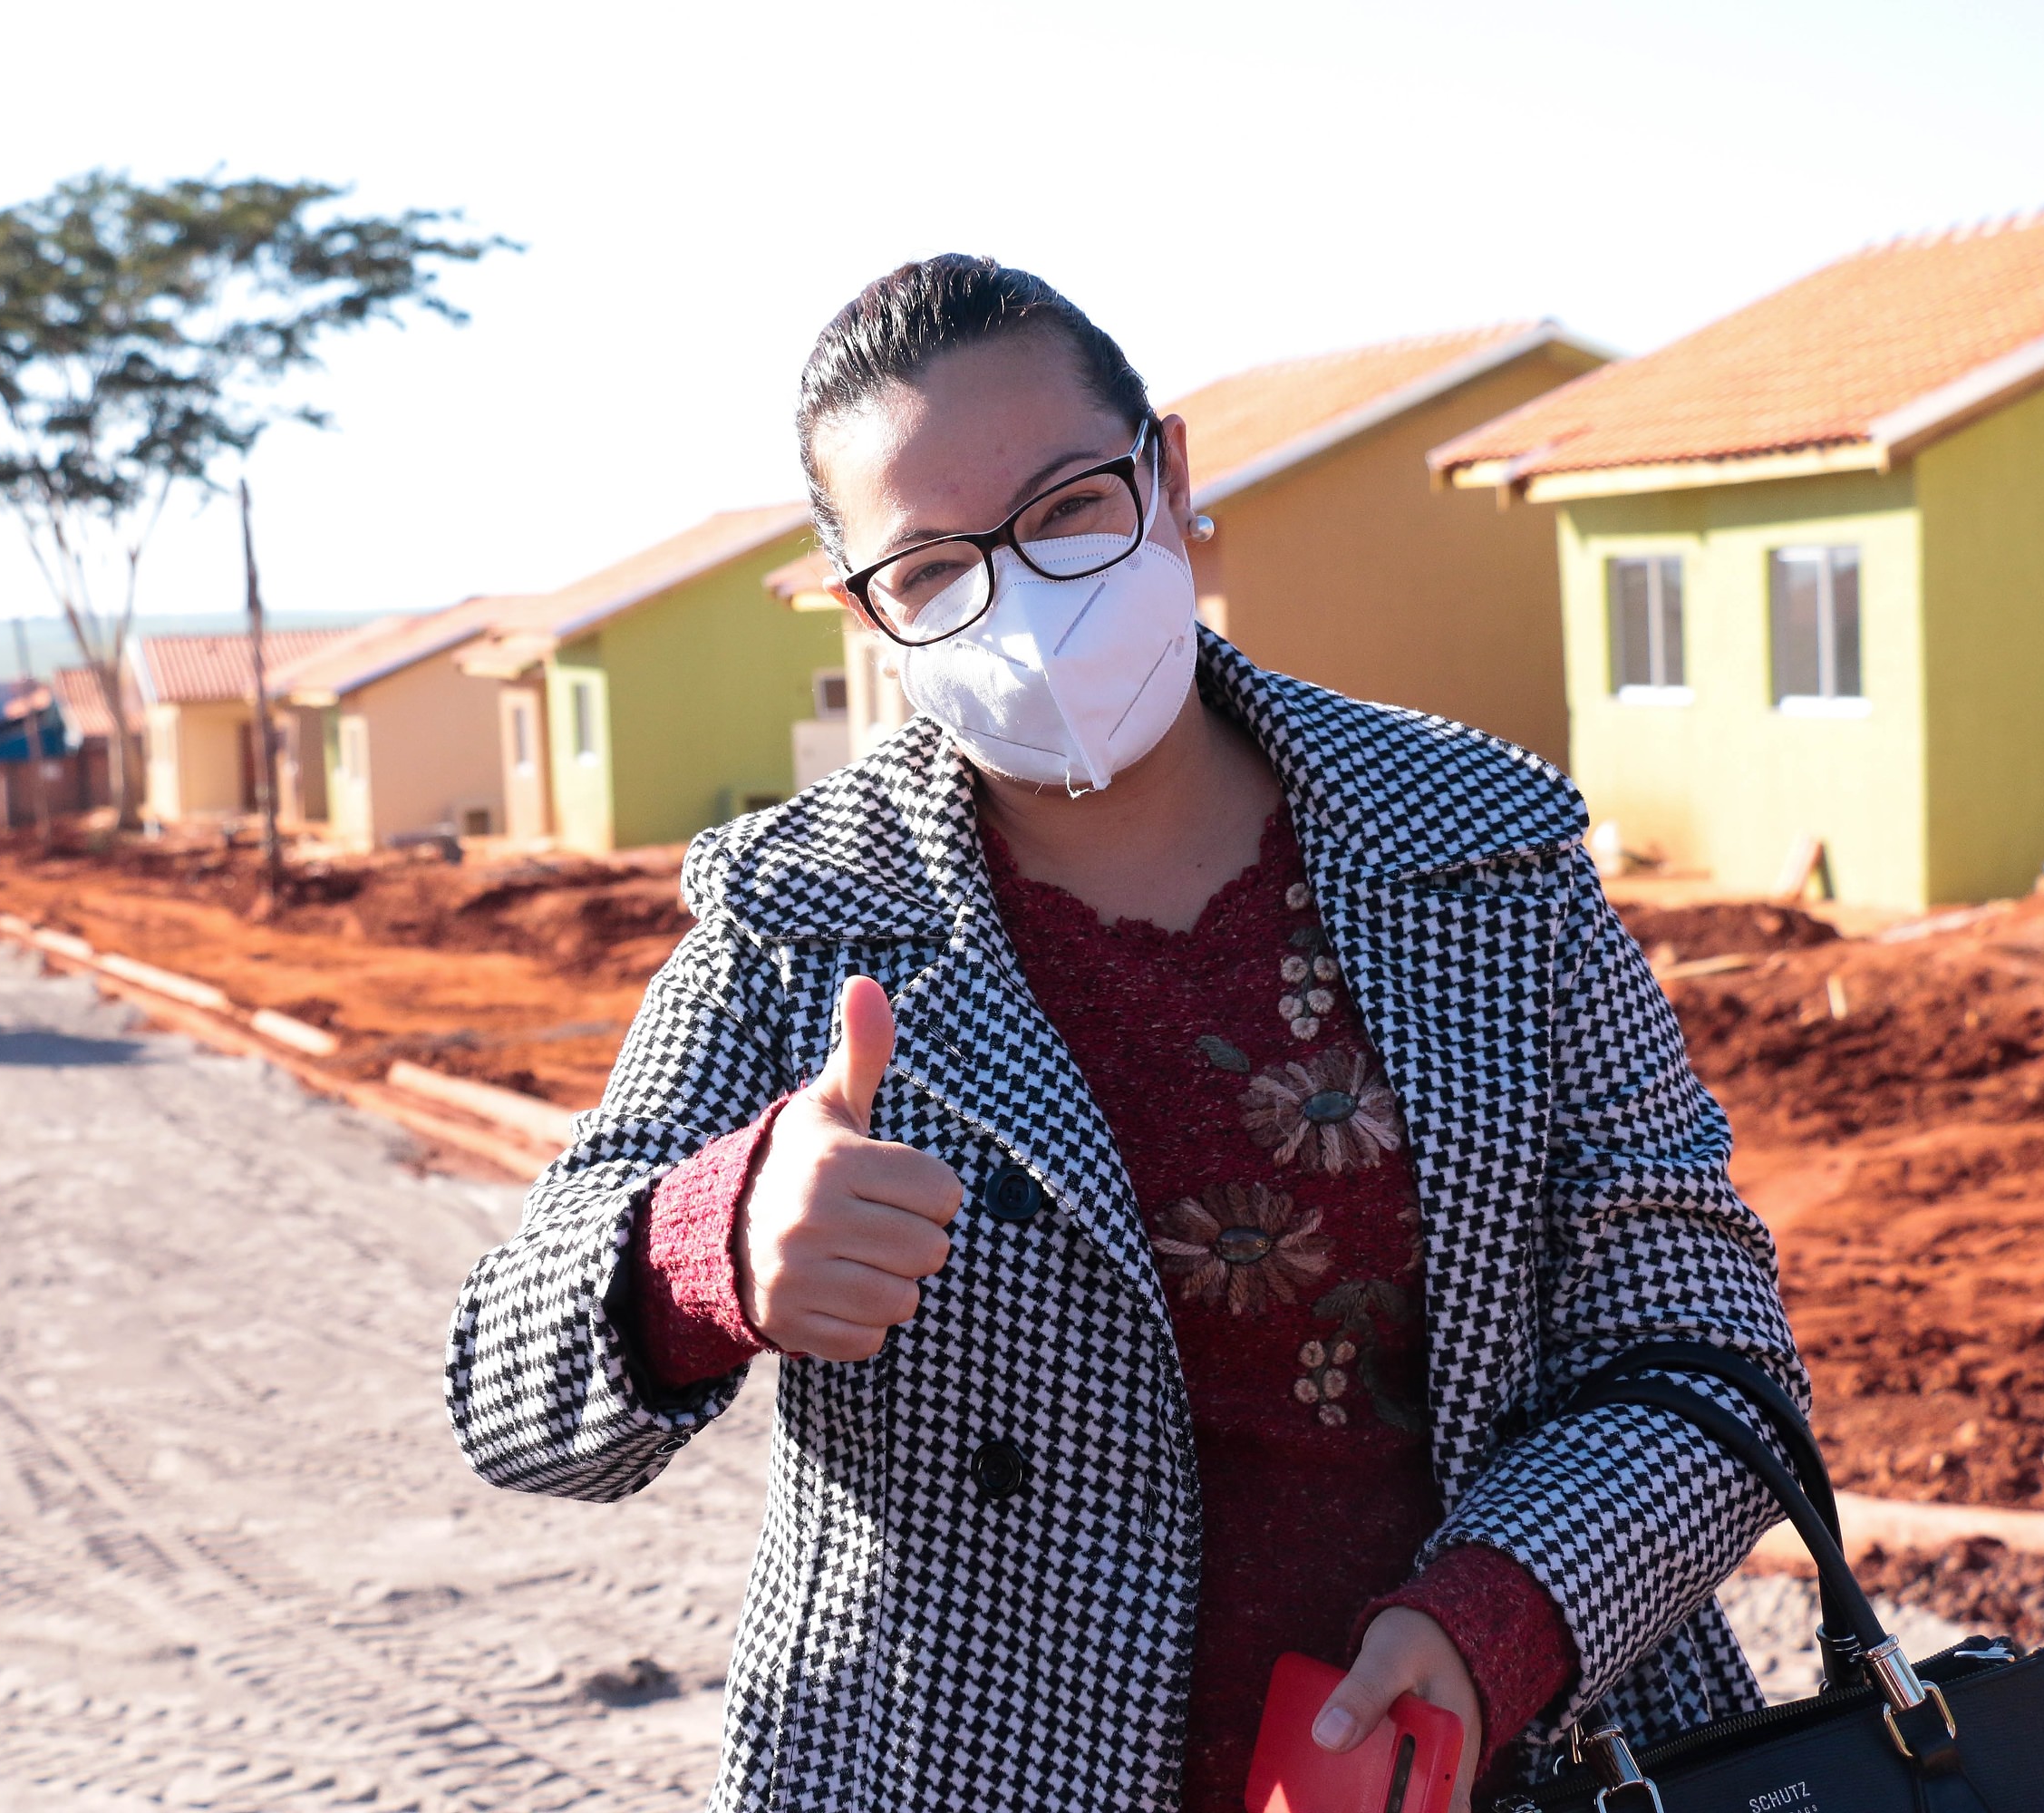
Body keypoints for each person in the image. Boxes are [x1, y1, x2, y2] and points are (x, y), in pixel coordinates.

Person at [446, 255, 1807, 1811]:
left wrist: (1498, 1616)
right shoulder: (798, 925)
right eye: (935, 569)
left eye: (1068, 506)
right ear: (867, 614)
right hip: (960, 1771)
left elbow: (1702, 1339)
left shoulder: (1481, 852)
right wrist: (716, 1249)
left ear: (1166, 474)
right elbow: (508, 1398)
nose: (1020, 596)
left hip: (1518, 1758)